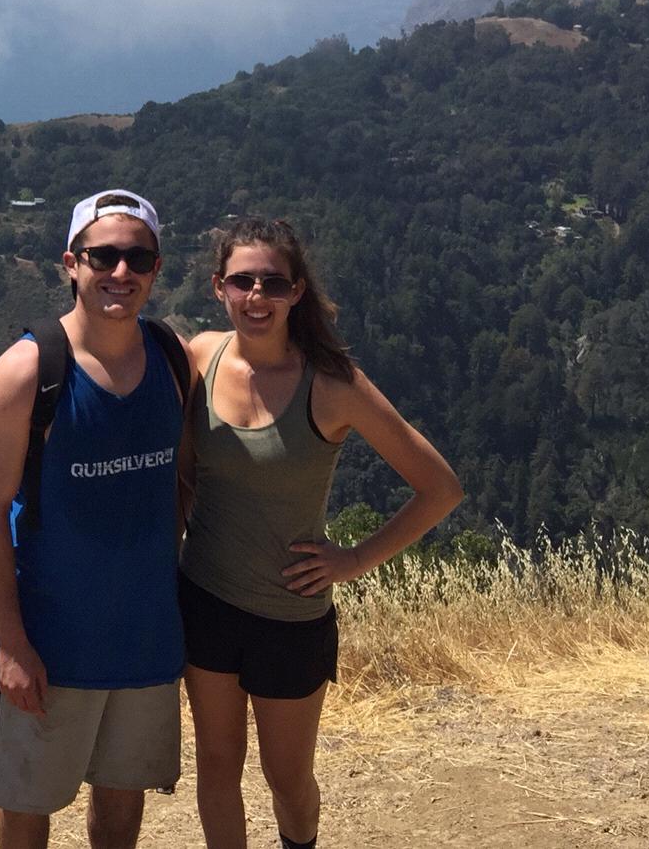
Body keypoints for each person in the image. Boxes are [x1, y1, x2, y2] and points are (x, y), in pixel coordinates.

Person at [179, 216, 462, 849]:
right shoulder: (201, 355)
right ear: (218, 287)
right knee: (217, 768)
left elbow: (440, 487)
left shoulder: (332, 385)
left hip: (291, 619)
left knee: (289, 781)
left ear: (297, 291)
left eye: (273, 283)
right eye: (243, 281)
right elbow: (179, 470)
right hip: (203, 602)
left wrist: (354, 560)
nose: (257, 297)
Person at [0, 188, 192, 849]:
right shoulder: (28, 372)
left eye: (137, 257)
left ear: (156, 267)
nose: (120, 272)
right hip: (46, 641)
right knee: (23, 804)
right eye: (104, 256)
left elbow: (181, 480)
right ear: (72, 262)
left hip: (143, 639)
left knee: (122, 808)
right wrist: (10, 642)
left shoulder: (172, 361)